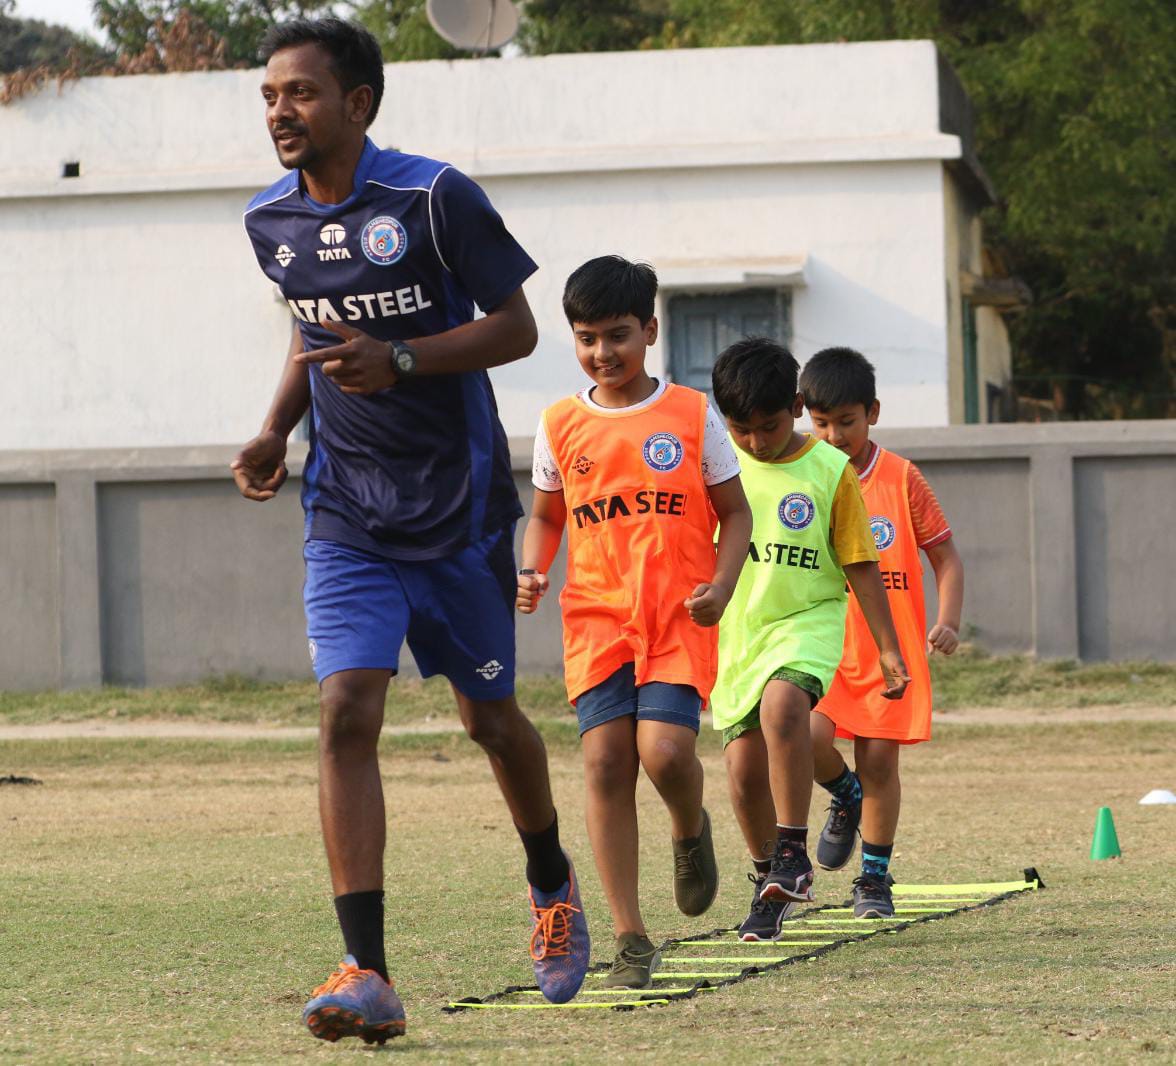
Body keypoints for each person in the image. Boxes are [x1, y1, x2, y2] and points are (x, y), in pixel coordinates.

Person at [231, 17, 589, 1042]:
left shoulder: (433, 198)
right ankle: (368, 970)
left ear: (359, 103)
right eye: (268, 96)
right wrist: (271, 432)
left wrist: (402, 358)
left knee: (489, 721)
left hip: (459, 514)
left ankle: (550, 878)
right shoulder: (271, 223)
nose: (279, 112)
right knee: (347, 706)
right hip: (346, 510)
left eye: (298, 93)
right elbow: (310, 337)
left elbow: (517, 329)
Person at [516, 256, 752, 988]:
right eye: (586, 338)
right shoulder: (559, 423)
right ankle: (629, 937)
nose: (602, 353)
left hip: (678, 615)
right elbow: (547, 516)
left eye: (617, 335)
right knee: (605, 763)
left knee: (666, 755)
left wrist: (721, 582)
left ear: (650, 330)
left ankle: (690, 828)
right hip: (595, 619)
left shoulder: (688, 413)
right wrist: (532, 568)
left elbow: (736, 512)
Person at [709, 338, 910, 942]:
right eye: (739, 429)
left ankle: (793, 855)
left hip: (809, 622)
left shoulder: (829, 471)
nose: (755, 442)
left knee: (784, 705)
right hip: (741, 632)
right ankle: (770, 880)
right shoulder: (720, 467)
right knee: (744, 776)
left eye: (767, 427)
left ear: (795, 406)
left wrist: (888, 648)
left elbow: (860, 565)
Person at [802, 347, 964, 918]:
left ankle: (874, 879)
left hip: (888, 656)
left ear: (872, 412)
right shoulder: (804, 478)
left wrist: (946, 620)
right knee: (806, 737)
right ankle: (844, 799)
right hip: (823, 647)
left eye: (846, 421)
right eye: (821, 423)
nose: (834, 435)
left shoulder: (901, 477)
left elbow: (945, 557)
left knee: (880, 767)